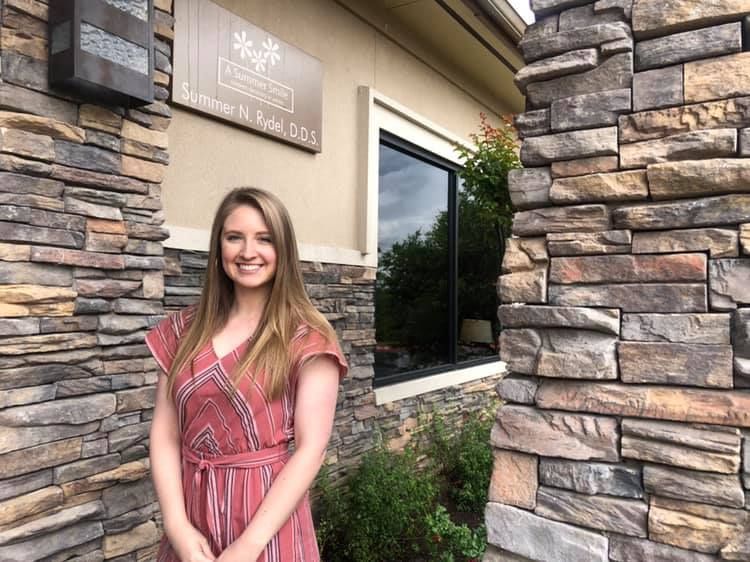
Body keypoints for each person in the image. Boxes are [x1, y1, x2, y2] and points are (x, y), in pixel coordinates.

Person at [146, 187, 348, 562]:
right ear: (218, 245)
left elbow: (310, 450)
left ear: (282, 249)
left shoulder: (306, 338)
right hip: (191, 520)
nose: (247, 252)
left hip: (265, 522)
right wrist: (177, 527)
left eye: (264, 239)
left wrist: (249, 545)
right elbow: (165, 433)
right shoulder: (181, 331)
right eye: (234, 237)